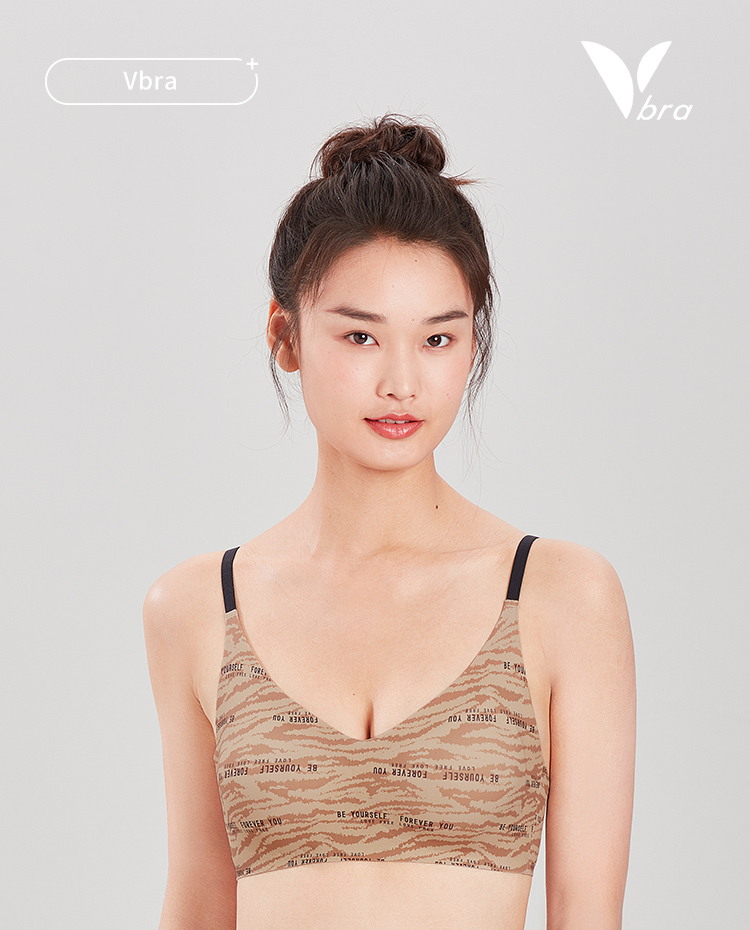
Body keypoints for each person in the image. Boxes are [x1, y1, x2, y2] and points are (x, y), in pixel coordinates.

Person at [143, 112, 636, 930]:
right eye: (361, 336)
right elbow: (199, 903)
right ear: (285, 337)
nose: (402, 382)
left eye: (438, 339)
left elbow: (587, 913)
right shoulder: (196, 606)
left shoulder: (561, 595)